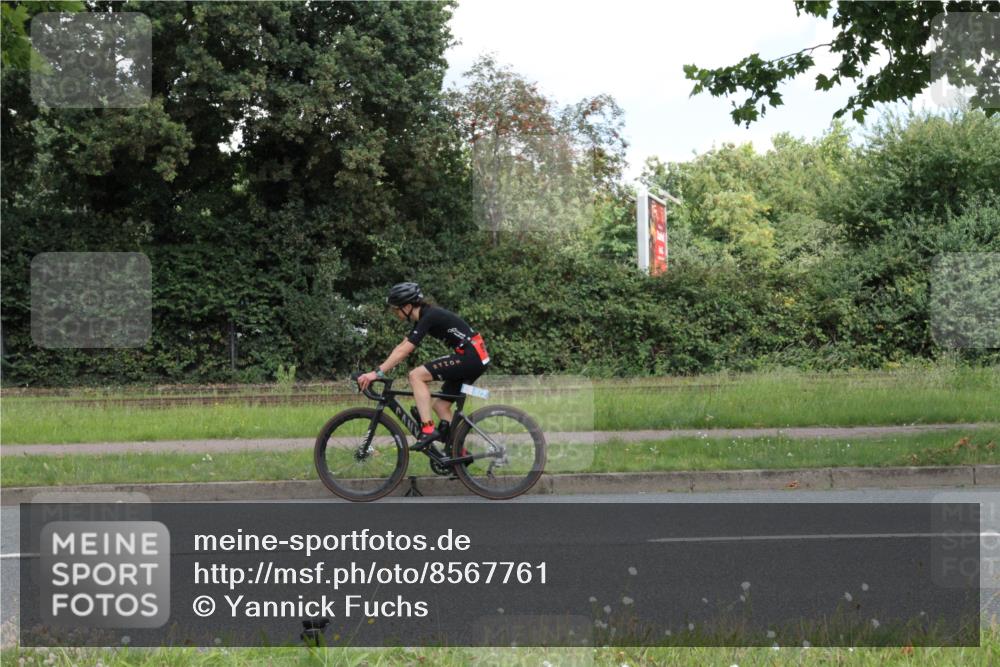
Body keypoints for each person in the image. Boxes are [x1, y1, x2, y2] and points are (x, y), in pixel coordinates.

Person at [356, 282, 490, 450]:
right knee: (441, 406)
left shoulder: (429, 316)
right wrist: (377, 371)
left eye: (396, 309)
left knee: (416, 375)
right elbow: (401, 347)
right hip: (475, 356)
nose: (394, 312)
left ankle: (427, 429)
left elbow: (405, 351)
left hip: (472, 356)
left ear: (408, 306)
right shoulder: (424, 318)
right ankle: (459, 455)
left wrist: (377, 374)